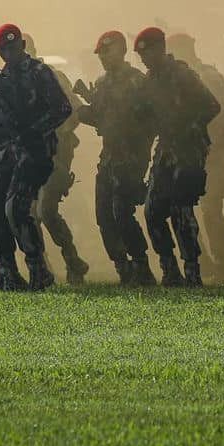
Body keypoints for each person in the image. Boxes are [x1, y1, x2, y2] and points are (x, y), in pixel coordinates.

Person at [0, 24, 73, 291]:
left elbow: (63, 108)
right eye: (4, 50)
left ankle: (38, 269)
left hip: (36, 152)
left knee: (17, 208)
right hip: (9, 151)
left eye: (12, 47)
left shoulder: (39, 73)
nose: (9, 54)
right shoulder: (0, 80)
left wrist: (34, 131)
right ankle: (7, 272)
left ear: (22, 45)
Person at [134, 27, 221, 287]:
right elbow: (145, 118)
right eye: (141, 55)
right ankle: (169, 270)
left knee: (181, 210)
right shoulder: (148, 82)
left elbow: (212, 106)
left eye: (147, 52)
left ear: (160, 49)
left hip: (188, 150)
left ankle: (192, 270)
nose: (144, 59)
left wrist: (189, 127)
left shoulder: (183, 75)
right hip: (165, 149)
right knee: (152, 210)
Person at [75, 30, 157, 286]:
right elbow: (101, 118)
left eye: (107, 52)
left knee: (122, 212)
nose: (103, 57)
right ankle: (123, 267)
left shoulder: (137, 81)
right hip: (109, 156)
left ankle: (141, 266)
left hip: (131, 156)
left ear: (121, 51)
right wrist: (84, 113)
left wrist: (137, 142)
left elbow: (151, 120)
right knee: (104, 215)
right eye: (100, 54)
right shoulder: (101, 83)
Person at [165, 32, 224, 283]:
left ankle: (222, 265)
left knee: (210, 208)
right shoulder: (175, 79)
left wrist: (215, 142)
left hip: (213, 152)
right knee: (184, 207)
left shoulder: (207, 76)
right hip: (189, 152)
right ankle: (203, 261)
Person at [26, 35, 89, 286]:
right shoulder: (12, 80)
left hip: (56, 153)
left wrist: (56, 135)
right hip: (30, 155)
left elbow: (73, 112)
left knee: (47, 210)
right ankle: (43, 268)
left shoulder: (52, 76)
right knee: (30, 213)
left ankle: (72, 259)